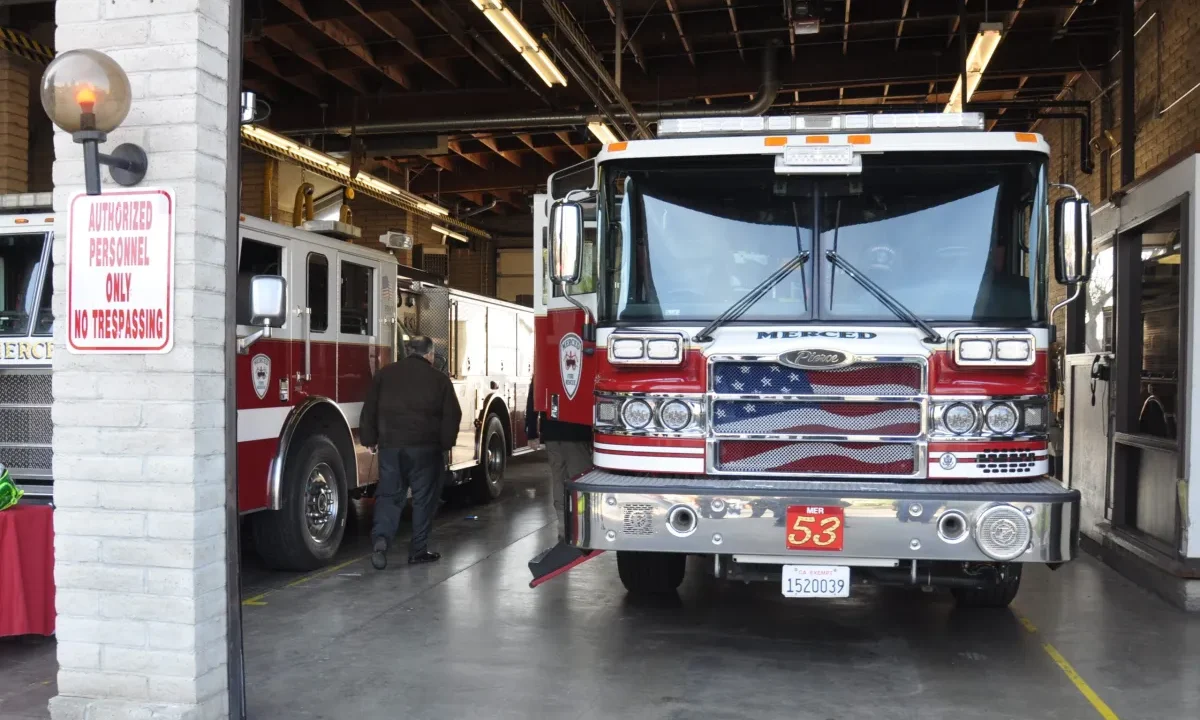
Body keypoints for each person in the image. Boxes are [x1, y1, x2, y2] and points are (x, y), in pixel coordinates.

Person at [360, 335, 462, 570]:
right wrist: (445, 444)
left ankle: (381, 542)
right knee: (423, 500)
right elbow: (452, 415)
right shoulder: (439, 379)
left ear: (408, 352)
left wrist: (370, 439)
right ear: (429, 354)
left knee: (389, 496)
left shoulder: (384, 375)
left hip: (391, 448)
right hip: (425, 449)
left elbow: (370, 409)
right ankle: (418, 551)